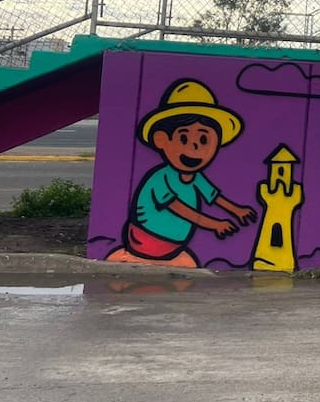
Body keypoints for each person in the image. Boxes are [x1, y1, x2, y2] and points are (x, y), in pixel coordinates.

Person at [108, 79, 257, 267]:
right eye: (184, 137)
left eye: (204, 139)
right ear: (161, 140)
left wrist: (237, 210)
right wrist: (214, 224)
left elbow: (214, 197)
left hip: (172, 246)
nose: (195, 146)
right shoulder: (160, 178)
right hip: (146, 240)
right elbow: (180, 209)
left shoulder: (195, 177)